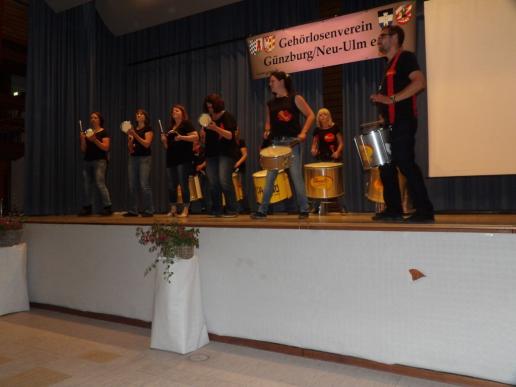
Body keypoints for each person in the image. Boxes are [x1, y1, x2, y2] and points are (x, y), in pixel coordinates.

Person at [369, 25, 434, 223]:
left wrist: (392, 99)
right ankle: (393, 209)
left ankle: (424, 211)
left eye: (383, 36)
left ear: (395, 38)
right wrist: (383, 113)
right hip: (391, 124)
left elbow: (420, 82)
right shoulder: (388, 66)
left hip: (404, 122)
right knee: (386, 166)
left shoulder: (406, 58)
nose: (379, 40)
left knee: (405, 162)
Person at [251, 71, 315, 219]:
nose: (270, 83)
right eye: (269, 81)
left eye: (272, 81)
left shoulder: (295, 98)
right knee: (269, 177)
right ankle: (262, 210)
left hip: (291, 143)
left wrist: (304, 132)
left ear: (281, 81)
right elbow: (268, 122)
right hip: (275, 144)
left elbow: (311, 115)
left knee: (295, 176)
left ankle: (304, 208)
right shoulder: (270, 104)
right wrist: (267, 130)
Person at [201, 93, 239, 217]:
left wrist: (216, 128)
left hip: (226, 153)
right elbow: (203, 141)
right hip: (211, 154)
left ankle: (232, 209)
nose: (209, 109)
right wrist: (202, 135)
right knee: (213, 183)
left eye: (211, 107)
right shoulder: (206, 119)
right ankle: (217, 209)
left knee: (224, 180)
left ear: (217, 105)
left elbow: (230, 136)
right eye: (208, 107)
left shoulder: (227, 116)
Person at [160, 104, 198, 218]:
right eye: (173, 111)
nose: (174, 112)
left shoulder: (186, 124)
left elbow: (196, 137)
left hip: (183, 159)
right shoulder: (170, 128)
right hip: (171, 159)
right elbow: (168, 147)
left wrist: (181, 137)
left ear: (182, 112)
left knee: (183, 184)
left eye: (177, 110)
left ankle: (186, 209)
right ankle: (173, 209)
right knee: (172, 185)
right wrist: (164, 141)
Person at [310, 108, 346, 213]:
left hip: (334, 159)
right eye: (320, 115)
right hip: (321, 159)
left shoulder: (335, 127)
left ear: (328, 116)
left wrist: (338, 152)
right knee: (319, 182)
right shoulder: (316, 130)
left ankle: (342, 207)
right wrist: (313, 150)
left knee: (336, 183)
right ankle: (316, 207)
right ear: (318, 118)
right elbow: (314, 144)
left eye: (325, 114)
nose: (323, 117)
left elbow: (341, 143)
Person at [78, 112, 112, 216]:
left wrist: (94, 140)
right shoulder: (88, 132)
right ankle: (87, 207)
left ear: (99, 120)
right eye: (91, 117)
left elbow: (106, 147)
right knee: (87, 185)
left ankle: (108, 207)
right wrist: (83, 139)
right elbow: (83, 149)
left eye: (95, 117)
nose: (93, 119)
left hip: (100, 161)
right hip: (87, 160)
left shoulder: (104, 132)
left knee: (100, 183)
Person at [124, 108, 154, 217]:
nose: (139, 115)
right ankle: (133, 210)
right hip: (133, 158)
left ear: (145, 117)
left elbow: (147, 144)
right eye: (137, 114)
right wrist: (130, 141)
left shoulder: (148, 129)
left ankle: (149, 210)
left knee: (144, 184)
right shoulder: (133, 130)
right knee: (132, 185)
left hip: (144, 159)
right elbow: (130, 148)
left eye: (141, 114)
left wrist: (135, 135)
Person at [233, 127, 248, 212]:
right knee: (234, 189)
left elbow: (245, 155)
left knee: (240, 188)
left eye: (236, 131)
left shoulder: (241, 142)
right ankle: (236, 208)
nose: (235, 132)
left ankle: (245, 208)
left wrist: (237, 164)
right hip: (231, 168)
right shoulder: (229, 142)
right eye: (234, 131)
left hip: (239, 168)